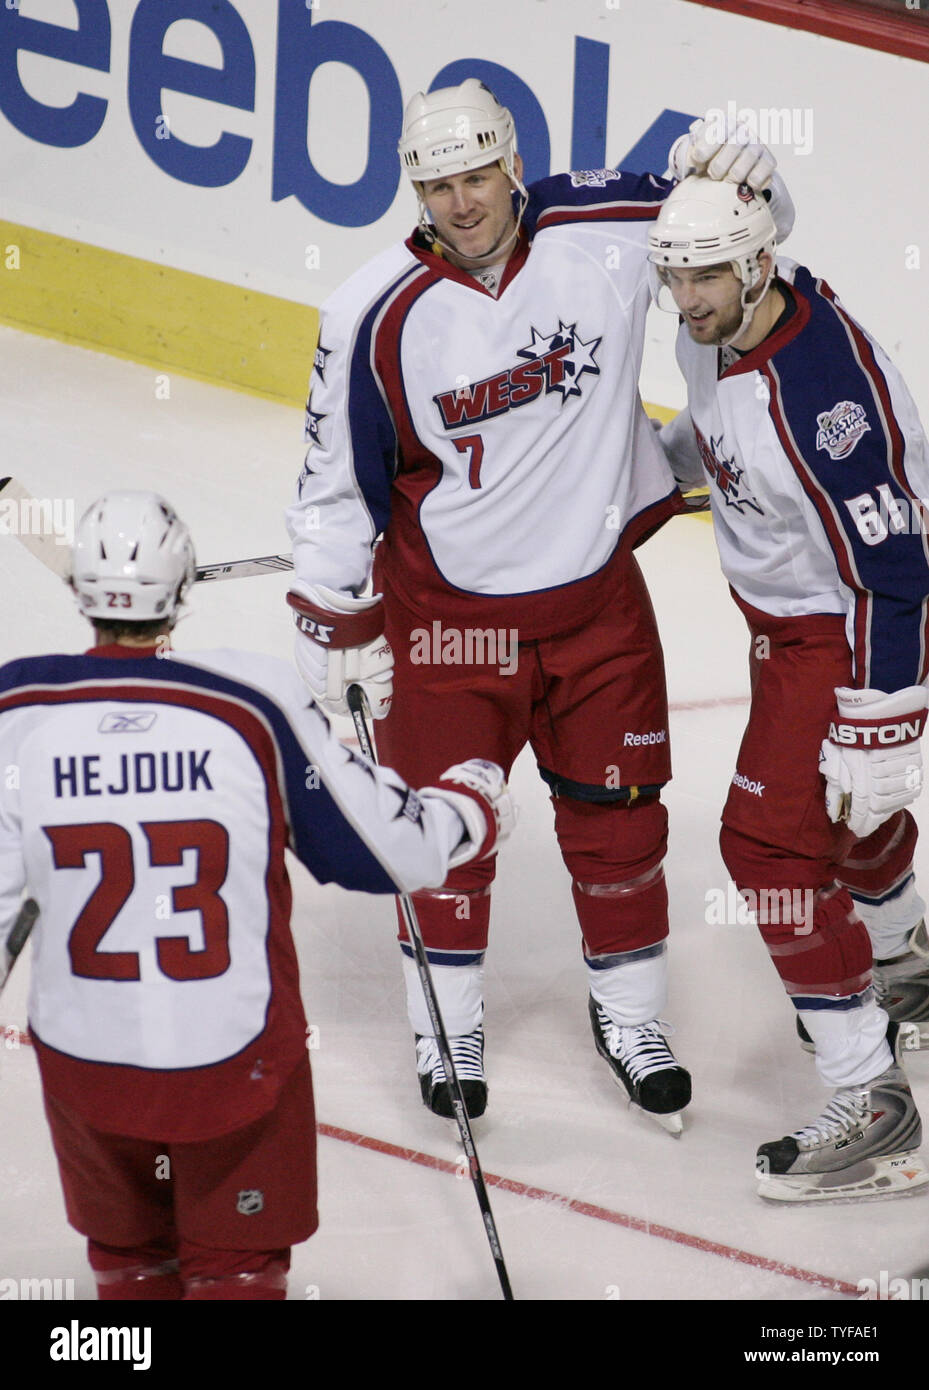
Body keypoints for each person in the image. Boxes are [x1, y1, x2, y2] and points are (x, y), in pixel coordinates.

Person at [284, 82, 790, 1133]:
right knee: (443, 836)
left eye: (475, 176)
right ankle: (446, 1026)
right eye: (435, 183)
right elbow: (333, 490)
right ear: (411, 187)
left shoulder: (602, 223)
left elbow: (744, 238)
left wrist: (755, 172)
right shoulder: (369, 311)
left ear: (514, 164)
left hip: (597, 605)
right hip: (445, 624)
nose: (460, 202)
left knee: (620, 821)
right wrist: (331, 628)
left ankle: (631, 1016)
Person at [0, 490, 513, 1300]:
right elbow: (387, 856)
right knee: (235, 1271)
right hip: (233, 1065)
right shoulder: (252, 706)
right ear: (183, 590)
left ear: (80, 594)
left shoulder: (16, 710)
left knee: (131, 1267)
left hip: (86, 1067)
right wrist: (474, 806)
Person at [649, 175, 929, 1200]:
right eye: (673, 275)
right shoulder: (715, 327)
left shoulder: (819, 398)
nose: (685, 298)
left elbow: (893, 570)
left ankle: (872, 1101)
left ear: (756, 265)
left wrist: (879, 726)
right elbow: (709, 431)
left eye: (705, 275)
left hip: (846, 626)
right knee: (842, 824)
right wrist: (640, 471)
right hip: (790, 621)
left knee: (766, 844)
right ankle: (904, 960)